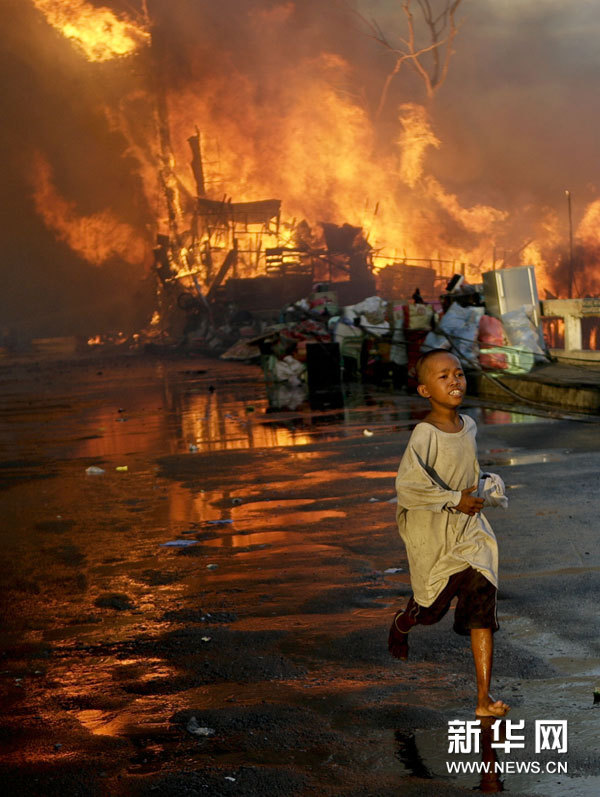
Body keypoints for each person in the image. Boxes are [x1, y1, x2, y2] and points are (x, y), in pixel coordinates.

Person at [388, 348, 509, 718]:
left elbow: (468, 471)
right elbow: (408, 487)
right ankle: (402, 624)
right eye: (443, 376)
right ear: (425, 390)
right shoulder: (424, 434)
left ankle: (483, 698)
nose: (455, 380)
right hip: (434, 535)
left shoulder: (468, 426)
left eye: (458, 373)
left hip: (470, 534)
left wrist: (482, 488)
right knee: (429, 610)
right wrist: (453, 499)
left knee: (482, 607)